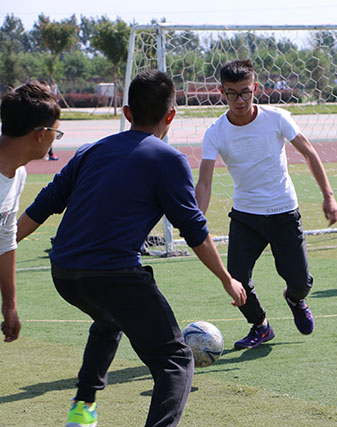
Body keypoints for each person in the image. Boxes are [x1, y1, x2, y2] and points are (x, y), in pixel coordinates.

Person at [17, 70, 246, 427]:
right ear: (170, 115)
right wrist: (226, 278)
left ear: (126, 113)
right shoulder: (168, 160)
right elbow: (194, 231)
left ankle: (83, 407)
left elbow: (42, 206)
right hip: (114, 275)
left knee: (110, 319)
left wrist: (4, 242)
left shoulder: (88, 151)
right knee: (175, 361)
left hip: (63, 273)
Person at [195, 59, 337, 350]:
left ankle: (295, 298)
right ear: (222, 92)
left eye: (245, 92)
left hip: (283, 212)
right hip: (246, 216)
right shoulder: (215, 132)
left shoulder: (277, 118)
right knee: (235, 280)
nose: (240, 100)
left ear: (256, 88)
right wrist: (196, 219)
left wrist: (329, 195)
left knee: (300, 281)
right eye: (232, 93)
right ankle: (260, 326)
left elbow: (310, 154)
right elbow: (205, 181)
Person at [1, 81, 61, 343]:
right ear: (40, 133)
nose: (54, 140)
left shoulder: (18, 173)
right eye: (55, 134)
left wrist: (9, 305)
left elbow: (6, 240)